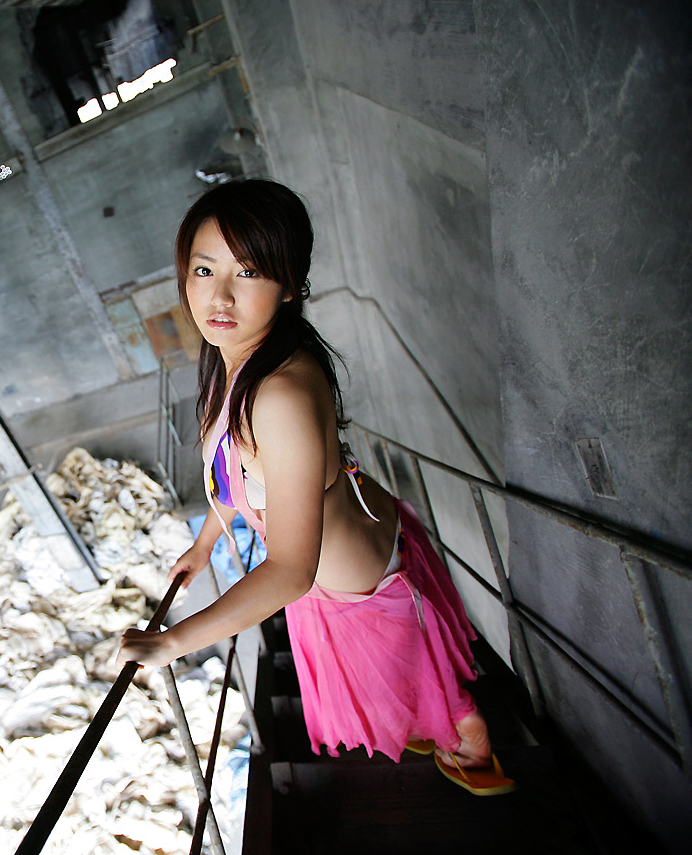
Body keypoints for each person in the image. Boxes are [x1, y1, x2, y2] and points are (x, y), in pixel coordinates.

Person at [117, 179, 514, 795]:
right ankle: (447, 721)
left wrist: (174, 643)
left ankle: (470, 738)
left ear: (289, 285)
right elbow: (235, 473)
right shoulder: (236, 357)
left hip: (350, 576)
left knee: (409, 669)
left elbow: (290, 572)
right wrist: (205, 544)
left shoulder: (276, 394)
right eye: (204, 269)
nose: (219, 295)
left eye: (248, 272)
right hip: (351, 539)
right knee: (401, 667)